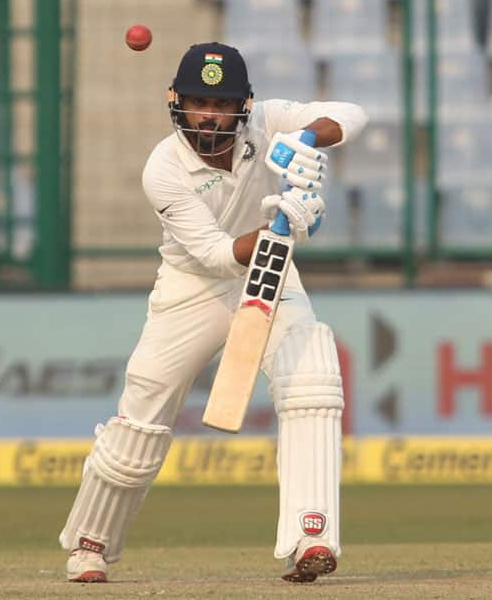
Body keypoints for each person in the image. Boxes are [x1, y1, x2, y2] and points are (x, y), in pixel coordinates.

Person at [58, 42, 367, 584]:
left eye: (222, 104)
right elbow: (216, 256)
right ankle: (91, 542)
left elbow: (353, 114)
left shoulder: (270, 123)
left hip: (272, 273)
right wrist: (283, 219)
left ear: (244, 106)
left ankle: (310, 535)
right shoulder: (163, 169)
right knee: (144, 405)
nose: (210, 114)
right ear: (175, 101)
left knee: (312, 373)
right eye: (200, 102)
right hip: (193, 287)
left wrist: (307, 138)